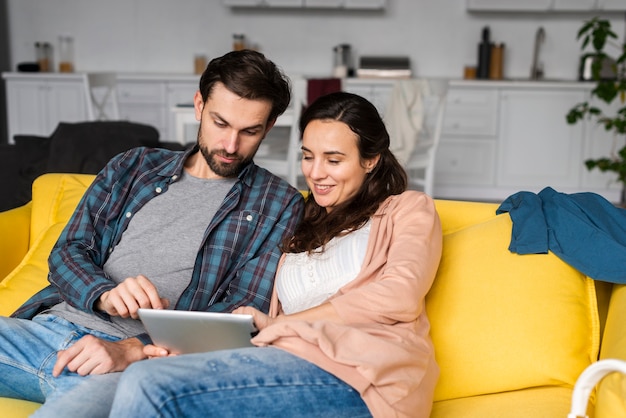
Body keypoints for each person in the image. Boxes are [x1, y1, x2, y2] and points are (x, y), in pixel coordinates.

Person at [0, 49, 304, 415]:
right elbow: (68, 251)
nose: (230, 145)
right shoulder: (134, 165)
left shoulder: (279, 204)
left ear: (269, 127)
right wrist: (104, 294)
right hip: (42, 332)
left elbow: (240, 313)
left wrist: (133, 349)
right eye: (220, 123)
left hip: (132, 363)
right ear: (198, 105)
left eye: (250, 131)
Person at [108, 91, 443, 418]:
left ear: (370, 160)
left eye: (334, 160)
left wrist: (281, 324)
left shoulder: (408, 210)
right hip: (280, 356)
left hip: (364, 374)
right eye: (308, 156)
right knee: (159, 371)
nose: (315, 173)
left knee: (149, 382)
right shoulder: (299, 223)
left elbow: (399, 295)